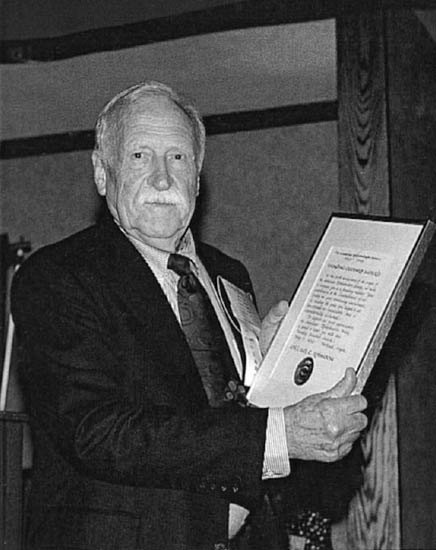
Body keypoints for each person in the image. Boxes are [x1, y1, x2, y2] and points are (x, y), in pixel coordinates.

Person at [11, 81, 368, 550]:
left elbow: (222, 410)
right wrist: (281, 434)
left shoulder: (228, 273)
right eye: (140, 156)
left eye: (178, 158)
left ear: (198, 175)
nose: (162, 179)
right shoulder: (58, 276)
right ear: (102, 173)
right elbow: (98, 432)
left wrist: (276, 368)